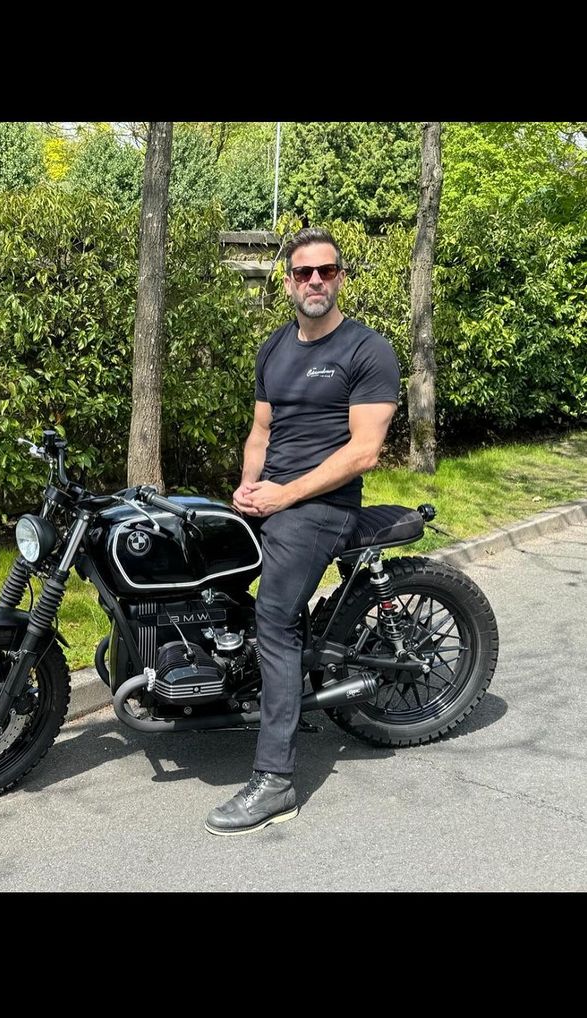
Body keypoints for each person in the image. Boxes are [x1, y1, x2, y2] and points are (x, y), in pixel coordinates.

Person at [205, 226, 401, 836]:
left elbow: (365, 451)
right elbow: (260, 434)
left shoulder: (368, 350)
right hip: (269, 499)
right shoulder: (274, 349)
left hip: (323, 505)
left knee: (276, 619)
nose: (315, 281)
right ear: (288, 281)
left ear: (340, 277)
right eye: (303, 272)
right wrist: (245, 490)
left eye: (327, 270)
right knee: (204, 573)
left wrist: (284, 494)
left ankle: (276, 781)